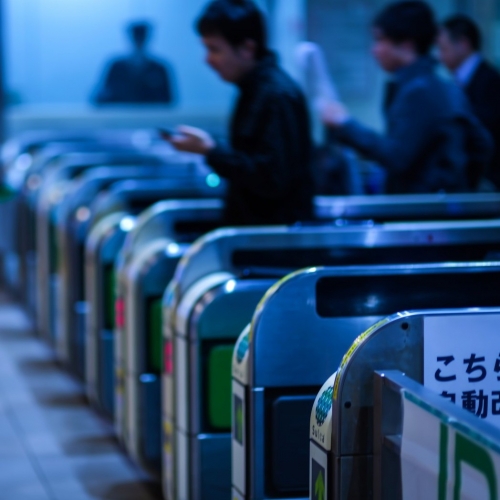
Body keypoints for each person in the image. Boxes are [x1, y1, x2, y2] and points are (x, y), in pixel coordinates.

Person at [166, 0, 314, 226]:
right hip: (256, 237)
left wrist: (212, 150)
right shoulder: (253, 89)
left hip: (273, 244)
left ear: (247, 48)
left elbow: (272, 179)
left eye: (214, 49)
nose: (207, 60)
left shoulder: (276, 95)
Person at [322, 1, 492, 194]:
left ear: (406, 45)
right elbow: (481, 144)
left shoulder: (420, 91)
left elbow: (396, 156)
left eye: (380, 40)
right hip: (433, 208)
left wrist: (344, 123)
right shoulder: (444, 86)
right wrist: (459, 190)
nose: (374, 50)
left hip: (422, 211)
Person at [438, 14, 500, 190]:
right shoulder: (459, 81)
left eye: (443, 48)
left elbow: (486, 135)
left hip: (489, 182)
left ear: (463, 44)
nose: (440, 56)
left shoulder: (490, 81)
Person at [94, 22, 174, 105]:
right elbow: (101, 97)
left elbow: (168, 100)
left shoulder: (159, 68)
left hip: (151, 116)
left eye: (142, 37)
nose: (139, 41)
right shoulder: (116, 67)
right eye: (136, 37)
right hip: (120, 115)